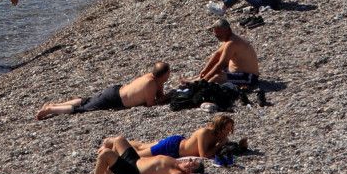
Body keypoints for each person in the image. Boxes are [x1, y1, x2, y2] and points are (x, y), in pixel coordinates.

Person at [35, 62, 169, 120]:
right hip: (114, 99)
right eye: (168, 74)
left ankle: (53, 105)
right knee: (82, 109)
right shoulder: (150, 84)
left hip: (115, 91)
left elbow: (160, 95)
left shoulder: (153, 78)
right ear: (163, 75)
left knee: (86, 101)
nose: (169, 76)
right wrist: (168, 97)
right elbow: (151, 104)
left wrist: (164, 94)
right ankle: (51, 110)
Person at [75, 135, 204, 174]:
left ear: (190, 172)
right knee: (119, 139)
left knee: (105, 154)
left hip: (133, 173)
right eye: (190, 160)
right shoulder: (176, 162)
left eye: (191, 165)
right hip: (135, 160)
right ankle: (108, 173)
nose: (188, 162)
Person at [125, 114, 235, 160]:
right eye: (227, 129)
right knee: (137, 156)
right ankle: (118, 146)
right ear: (219, 127)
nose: (228, 132)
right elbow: (203, 155)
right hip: (173, 147)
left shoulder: (219, 135)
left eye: (230, 129)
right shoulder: (204, 133)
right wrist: (220, 145)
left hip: (178, 144)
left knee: (141, 146)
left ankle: (121, 143)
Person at [195, 19, 261, 87]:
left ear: (228, 31)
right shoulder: (228, 39)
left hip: (249, 77)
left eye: (219, 36)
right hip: (234, 71)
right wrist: (205, 70)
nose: (218, 38)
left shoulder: (232, 43)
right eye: (216, 36)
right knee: (209, 71)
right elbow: (217, 55)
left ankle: (200, 87)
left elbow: (221, 65)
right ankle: (196, 82)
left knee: (216, 77)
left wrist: (205, 80)